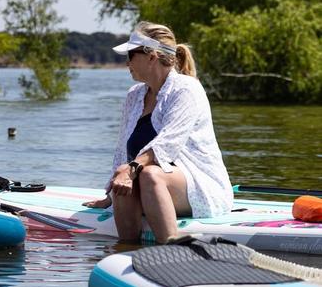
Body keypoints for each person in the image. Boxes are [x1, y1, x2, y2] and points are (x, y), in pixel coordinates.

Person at [84, 22, 232, 243]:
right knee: (128, 174)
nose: (127, 63)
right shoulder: (134, 95)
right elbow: (122, 151)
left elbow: (167, 145)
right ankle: (126, 252)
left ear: (151, 57)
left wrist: (130, 170)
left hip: (202, 189)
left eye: (131, 55)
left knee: (149, 174)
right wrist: (111, 195)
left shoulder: (186, 89)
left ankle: (170, 247)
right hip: (150, 186)